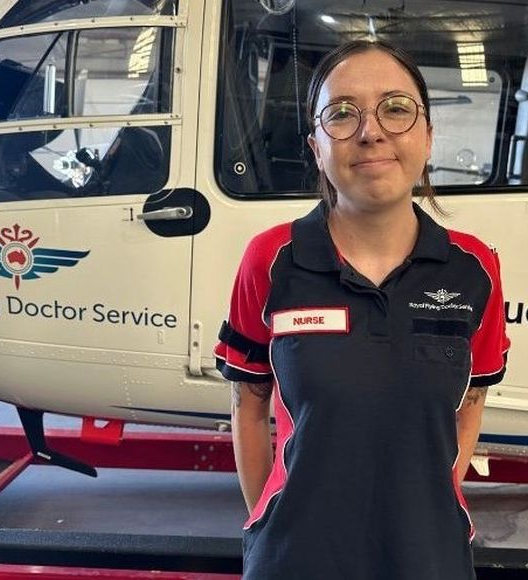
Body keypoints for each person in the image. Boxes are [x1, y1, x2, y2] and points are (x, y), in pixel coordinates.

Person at [214, 39, 510, 580]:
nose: (371, 131)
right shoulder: (271, 260)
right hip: (295, 556)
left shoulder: (475, 269)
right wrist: (267, 515)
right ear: (316, 146)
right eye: (342, 114)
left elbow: (472, 398)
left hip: (428, 554)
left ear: (426, 134)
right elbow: (248, 402)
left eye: (395, 109)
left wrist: (437, 495)